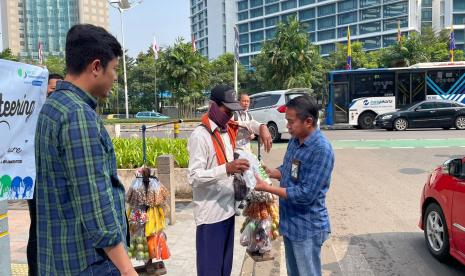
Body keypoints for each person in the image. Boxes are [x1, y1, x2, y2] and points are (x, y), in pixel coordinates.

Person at [34, 24, 136, 276]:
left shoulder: (52, 107)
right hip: (88, 263)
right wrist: (126, 268)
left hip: (58, 258)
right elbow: (95, 202)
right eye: (113, 69)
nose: (115, 77)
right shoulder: (78, 115)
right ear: (95, 67)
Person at [188, 84, 272, 276]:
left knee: (225, 269)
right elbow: (193, 177)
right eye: (226, 110)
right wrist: (226, 168)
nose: (229, 115)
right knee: (211, 270)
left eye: (232, 111)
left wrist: (262, 127)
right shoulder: (200, 136)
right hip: (210, 216)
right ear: (212, 105)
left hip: (227, 211)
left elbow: (248, 124)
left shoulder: (228, 128)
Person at [254, 95, 334, 276]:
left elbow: (306, 194)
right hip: (290, 223)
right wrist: (270, 172)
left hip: (308, 227)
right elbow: (291, 171)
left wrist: (267, 188)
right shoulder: (295, 141)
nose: (287, 126)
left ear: (308, 121)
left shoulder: (321, 150)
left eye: (291, 122)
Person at [26, 73, 64, 276]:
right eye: (51, 89)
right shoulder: (33, 113)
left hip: (55, 180)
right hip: (35, 180)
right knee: (38, 229)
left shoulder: (60, 114)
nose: (55, 94)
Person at [233, 92, 271, 214]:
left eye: (248, 101)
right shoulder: (233, 115)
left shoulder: (249, 115)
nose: (245, 103)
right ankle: (242, 199)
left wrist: (257, 130)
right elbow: (237, 126)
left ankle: (267, 188)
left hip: (247, 150)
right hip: (236, 150)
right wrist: (251, 130)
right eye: (243, 101)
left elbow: (253, 125)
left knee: (259, 166)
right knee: (248, 170)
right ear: (239, 102)